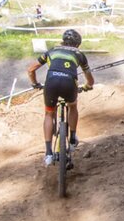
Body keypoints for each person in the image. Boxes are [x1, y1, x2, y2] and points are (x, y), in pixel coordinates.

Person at [27, 28, 94, 166]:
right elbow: (90, 80)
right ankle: (73, 138)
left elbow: (31, 69)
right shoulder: (79, 54)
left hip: (51, 83)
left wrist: (35, 83)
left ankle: (48, 153)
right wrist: (87, 87)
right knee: (72, 106)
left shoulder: (51, 51)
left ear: (63, 41)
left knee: (49, 113)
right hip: (69, 83)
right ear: (77, 44)